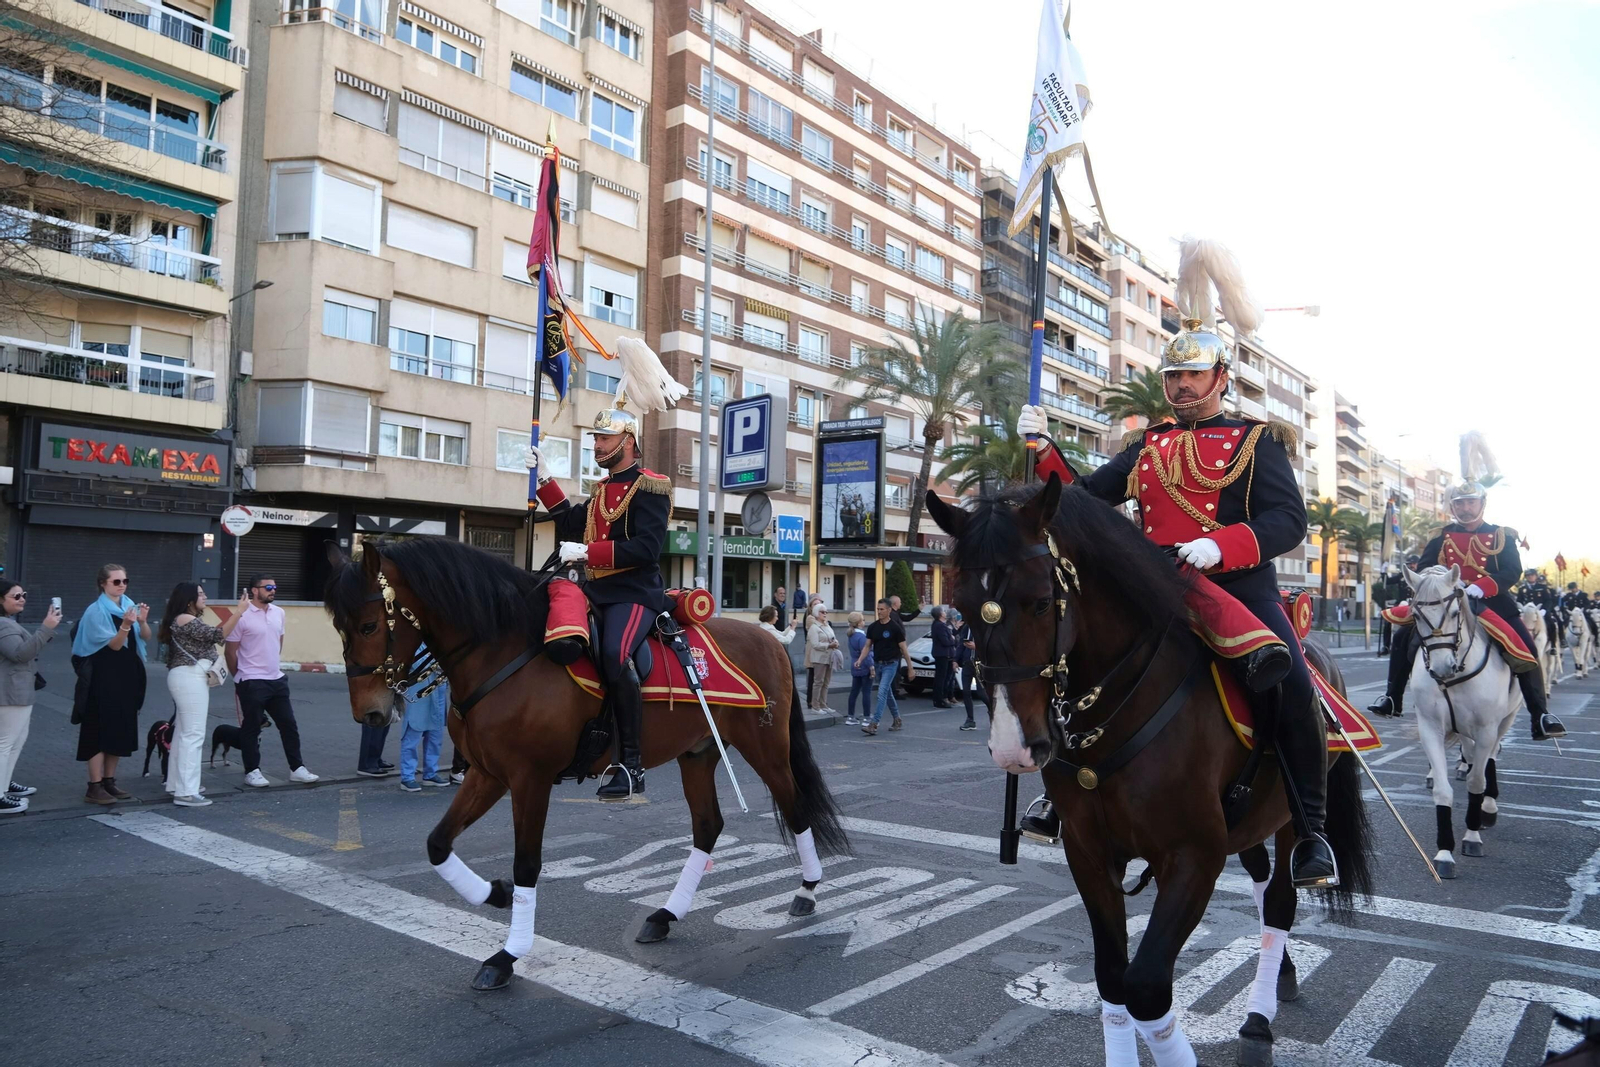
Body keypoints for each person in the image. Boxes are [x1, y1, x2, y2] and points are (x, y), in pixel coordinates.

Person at [1011, 239, 1335, 888]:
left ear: (1221, 377)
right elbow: (1081, 501)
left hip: (1240, 587)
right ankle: (1063, 790)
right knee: (1074, 659)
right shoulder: (1149, 445)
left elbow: (1289, 521)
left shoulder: (1254, 442)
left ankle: (1312, 831)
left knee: (1294, 683)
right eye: (1173, 377)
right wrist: (1044, 450)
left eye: (1194, 376)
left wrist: (1224, 544)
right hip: (1156, 585)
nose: (1182, 386)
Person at [525, 337, 683, 801]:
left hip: (634, 594)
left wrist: (588, 554)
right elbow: (573, 522)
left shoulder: (650, 489)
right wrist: (545, 480)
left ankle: (631, 764)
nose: (596, 444)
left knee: (614, 655)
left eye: (604, 437)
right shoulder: (602, 491)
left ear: (627, 441)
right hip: (595, 592)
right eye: (595, 438)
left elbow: (647, 550)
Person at [1367, 450, 1562, 740]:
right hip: (1446, 602)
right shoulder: (1440, 535)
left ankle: (1540, 715)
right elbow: (1424, 568)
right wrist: (1441, 584)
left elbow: (1511, 571)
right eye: (1459, 503)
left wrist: (1480, 586)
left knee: (1526, 646)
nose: (1465, 508)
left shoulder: (1502, 535)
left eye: (1470, 502)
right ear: (1452, 507)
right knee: (1402, 637)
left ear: (1482, 504)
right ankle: (1392, 697)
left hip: (1491, 601)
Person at [158, 583, 249, 807]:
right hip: (189, 678)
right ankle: (186, 792)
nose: (205, 596)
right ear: (189, 600)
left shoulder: (183, 619)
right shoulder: (185, 619)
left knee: (183, 733)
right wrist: (239, 611)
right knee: (193, 734)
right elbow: (219, 635)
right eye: (200, 594)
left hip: (185, 677)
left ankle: (178, 785)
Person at [225, 575, 319, 788]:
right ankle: (252, 771)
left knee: (289, 725)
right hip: (251, 680)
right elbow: (230, 651)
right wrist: (239, 677)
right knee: (252, 727)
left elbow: (278, 642)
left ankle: (297, 768)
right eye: (268, 587)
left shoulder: (279, 613)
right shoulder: (242, 615)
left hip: (276, 679)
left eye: (275, 587)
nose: (273, 590)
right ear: (254, 591)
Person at [73, 564, 150, 805]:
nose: (122, 585)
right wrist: (126, 625)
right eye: (116, 581)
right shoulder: (96, 611)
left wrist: (143, 622)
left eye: (125, 581)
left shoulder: (128, 604)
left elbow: (145, 637)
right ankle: (94, 786)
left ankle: (109, 781)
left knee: (119, 725)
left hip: (127, 675)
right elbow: (114, 645)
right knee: (98, 727)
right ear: (103, 584)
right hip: (104, 676)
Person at [0, 579, 60, 814]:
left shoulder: (8, 623)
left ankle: (4, 784)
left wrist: (48, 628)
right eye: (16, 596)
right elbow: (20, 654)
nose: (22, 598)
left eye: (23, 594)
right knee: (5, 743)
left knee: (14, 743)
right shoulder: (3, 626)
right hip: (10, 693)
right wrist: (45, 627)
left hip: (17, 692)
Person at [857, 599, 915, 735]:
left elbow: (904, 649)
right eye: (878, 609)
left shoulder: (895, 628)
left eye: (882, 609)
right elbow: (867, 646)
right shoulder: (873, 627)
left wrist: (911, 668)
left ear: (889, 610)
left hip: (891, 664)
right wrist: (860, 660)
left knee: (882, 692)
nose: (879, 612)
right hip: (878, 664)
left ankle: (874, 724)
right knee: (887, 694)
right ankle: (897, 719)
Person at [398, 649, 451, 792]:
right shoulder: (416, 642)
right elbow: (419, 663)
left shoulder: (437, 639)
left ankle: (430, 774)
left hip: (438, 693)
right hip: (419, 694)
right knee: (412, 736)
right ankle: (407, 777)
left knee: (435, 737)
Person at [954, 610, 985, 731]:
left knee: (981, 693)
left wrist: (977, 647)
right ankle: (970, 720)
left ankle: (993, 712)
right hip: (967, 663)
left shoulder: (983, 628)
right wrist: (955, 660)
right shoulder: (967, 627)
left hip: (979, 663)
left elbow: (990, 645)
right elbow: (961, 644)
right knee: (966, 692)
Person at [806, 607, 839, 713]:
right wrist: (829, 645)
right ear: (816, 613)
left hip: (829, 657)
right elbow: (815, 645)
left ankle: (823, 704)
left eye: (826, 612)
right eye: (822, 612)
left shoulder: (827, 625)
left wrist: (836, 643)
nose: (824, 614)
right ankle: (815, 706)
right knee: (818, 682)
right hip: (819, 658)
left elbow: (833, 637)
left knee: (826, 682)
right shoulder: (814, 627)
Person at [844, 611, 871, 726]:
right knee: (866, 692)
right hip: (864, 665)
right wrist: (872, 666)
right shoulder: (862, 637)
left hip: (855, 665)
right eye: (863, 619)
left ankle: (850, 716)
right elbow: (866, 653)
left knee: (854, 691)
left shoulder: (851, 635)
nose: (864, 621)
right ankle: (867, 717)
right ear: (859, 623)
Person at [930, 607, 958, 708]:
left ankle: (943, 697)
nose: (945, 612)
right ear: (940, 614)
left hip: (946, 654)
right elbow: (946, 641)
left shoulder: (941, 625)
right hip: (942, 655)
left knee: (944, 677)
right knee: (941, 678)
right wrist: (953, 640)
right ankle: (939, 700)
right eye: (943, 611)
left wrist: (953, 635)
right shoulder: (939, 626)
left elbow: (950, 636)